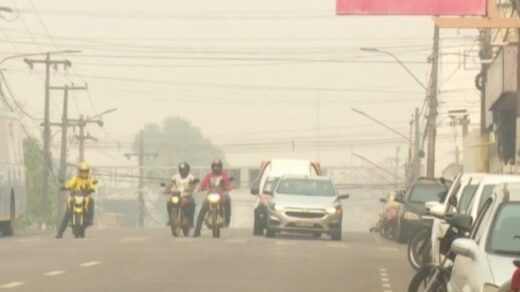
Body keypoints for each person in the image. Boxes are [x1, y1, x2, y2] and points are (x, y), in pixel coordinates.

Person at [55, 162, 96, 239]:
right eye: (82, 171)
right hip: (74, 196)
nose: (84, 173)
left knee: (91, 201)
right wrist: (65, 187)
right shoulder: (76, 177)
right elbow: (70, 184)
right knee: (67, 212)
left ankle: (89, 219)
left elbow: (92, 185)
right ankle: (60, 233)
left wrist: (92, 188)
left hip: (85, 197)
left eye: (85, 171)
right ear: (79, 171)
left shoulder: (89, 178)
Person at [193, 159, 232, 237]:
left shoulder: (224, 175)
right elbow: (203, 183)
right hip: (210, 195)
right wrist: (199, 188)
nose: (216, 168)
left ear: (221, 167)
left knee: (228, 200)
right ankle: (197, 231)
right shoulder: (209, 175)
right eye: (215, 166)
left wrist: (228, 188)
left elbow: (228, 184)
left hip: (221, 195)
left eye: (218, 166)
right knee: (202, 210)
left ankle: (227, 221)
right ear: (212, 167)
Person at [163, 162, 196, 226]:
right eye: (182, 170)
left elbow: (193, 185)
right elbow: (170, 184)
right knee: (169, 203)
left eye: (185, 170)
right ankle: (171, 219)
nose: (183, 171)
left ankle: (191, 222)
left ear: (187, 170)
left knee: (192, 204)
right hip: (176, 195)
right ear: (179, 170)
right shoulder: (175, 177)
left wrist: (192, 188)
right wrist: (167, 189)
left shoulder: (191, 177)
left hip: (187, 196)